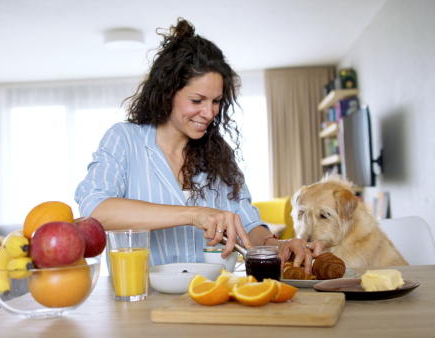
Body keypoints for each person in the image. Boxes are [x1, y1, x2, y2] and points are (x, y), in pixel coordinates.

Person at [75, 18, 322, 273]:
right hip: (141, 303)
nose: (208, 112)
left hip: (211, 300)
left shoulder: (218, 155)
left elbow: (248, 226)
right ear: (167, 92)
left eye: (216, 101)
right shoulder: (124, 140)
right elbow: (95, 211)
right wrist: (193, 214)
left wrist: (276, 244)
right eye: (197, 100)